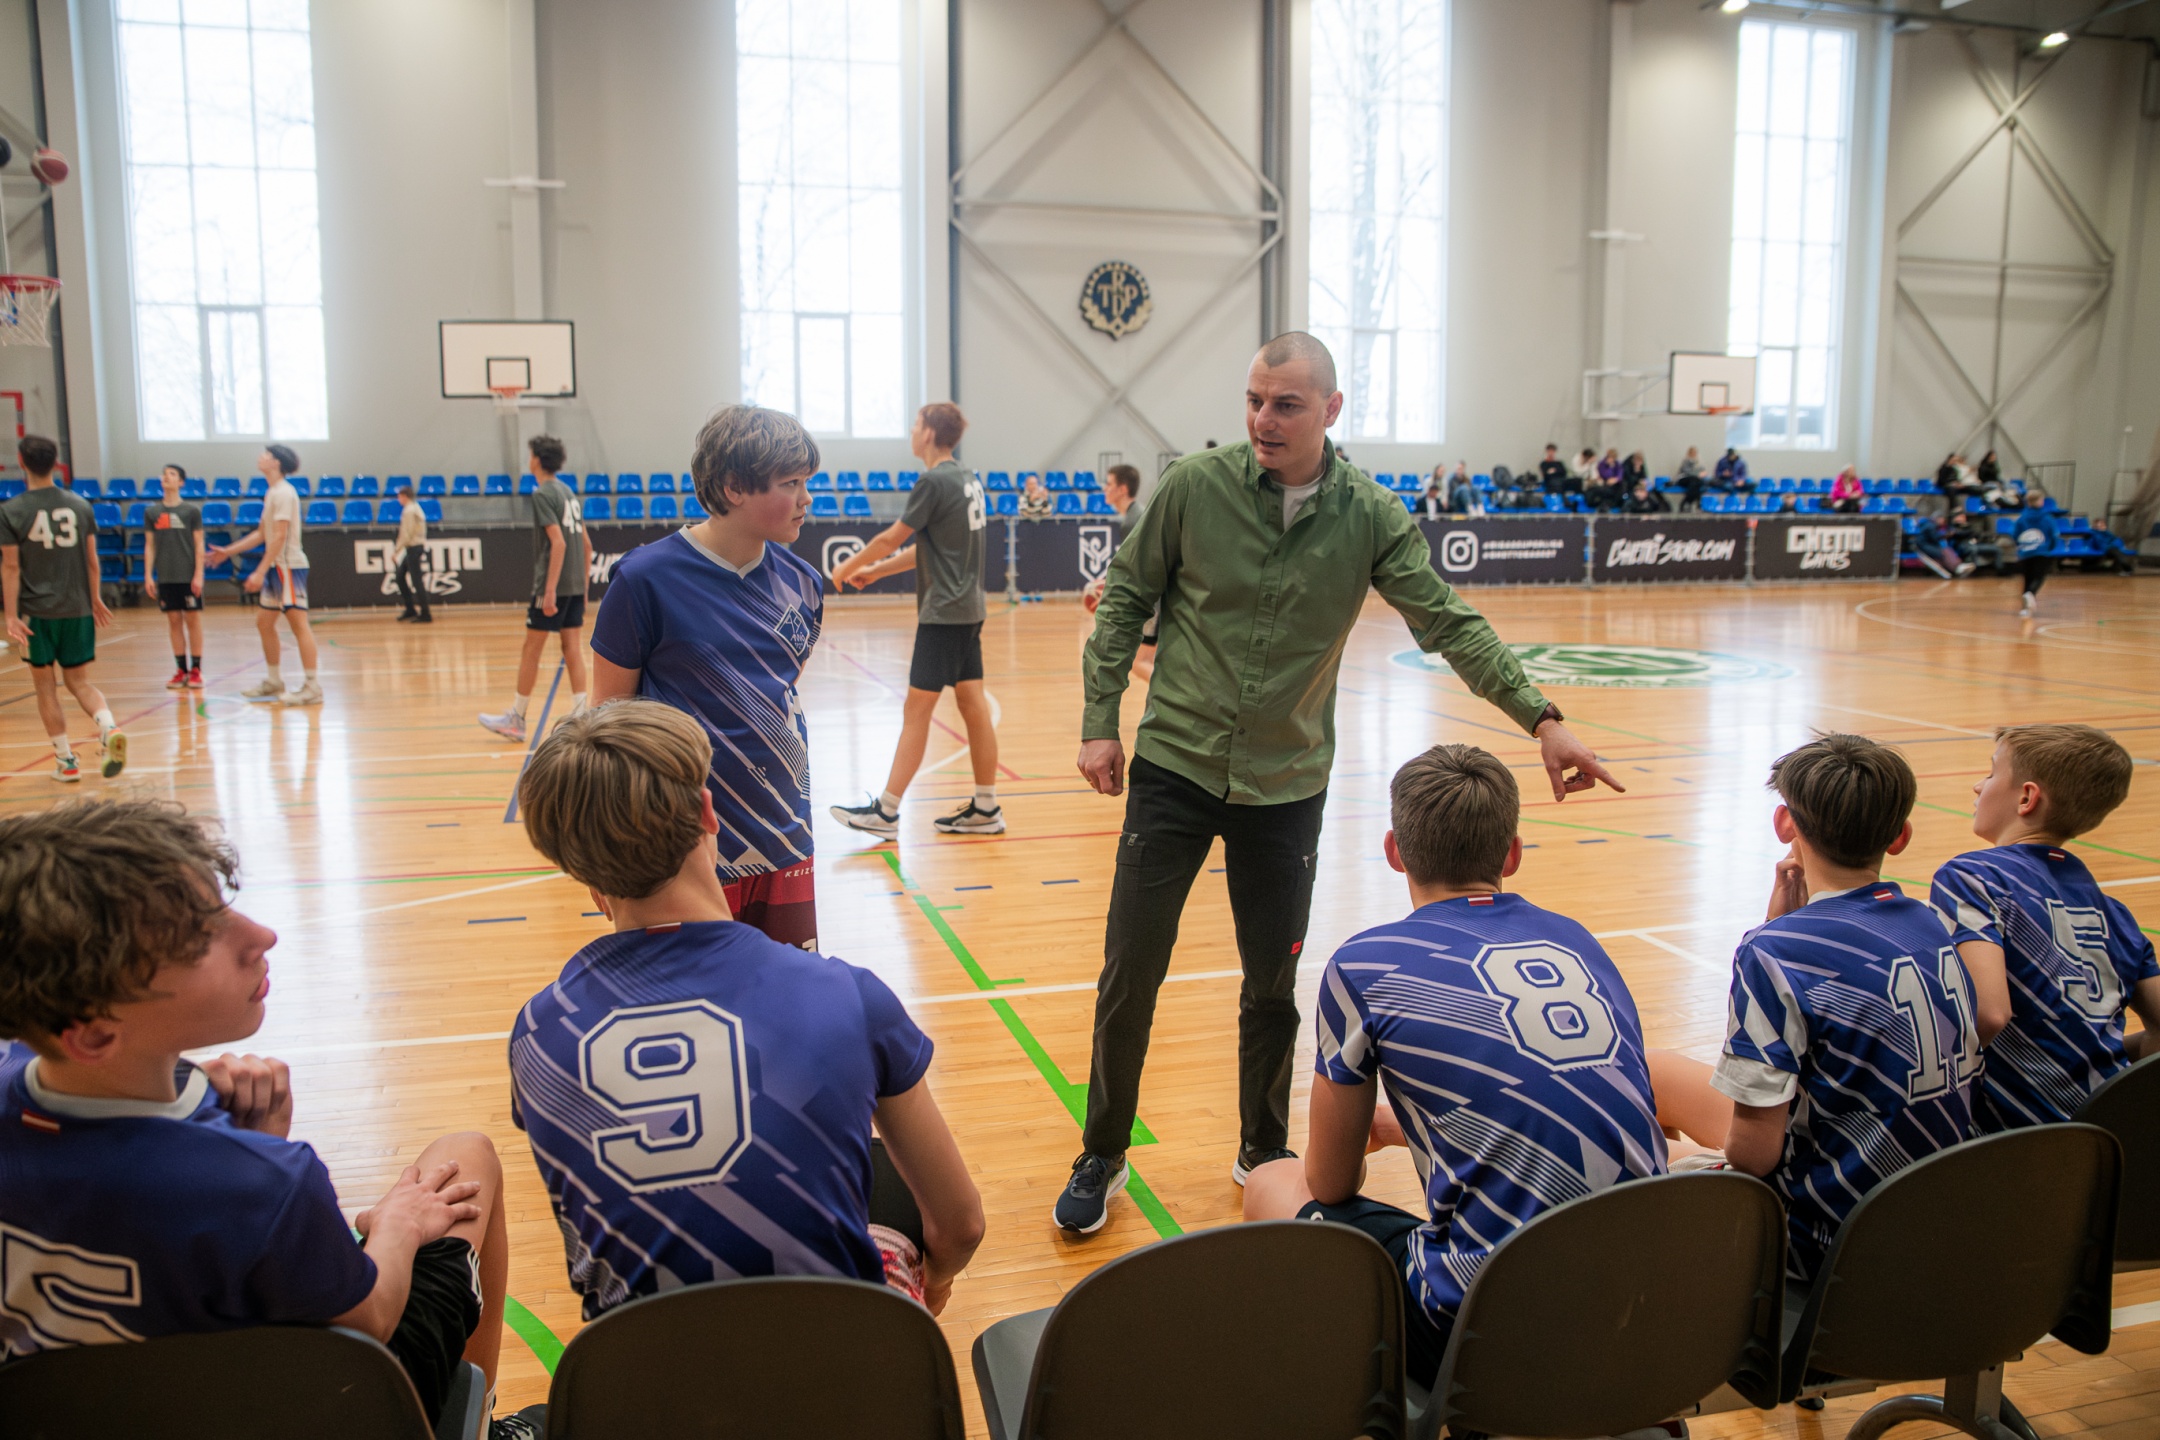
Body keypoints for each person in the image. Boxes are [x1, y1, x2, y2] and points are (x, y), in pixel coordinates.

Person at [1059, 332, 1623, 1234]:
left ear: (1330, 410)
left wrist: (1543, 720)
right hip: (1175, 767)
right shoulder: (1194, 488)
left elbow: (1448, 622)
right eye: (1254, 400)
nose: (1263, 419)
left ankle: (1261, 1148)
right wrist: (1100, 721)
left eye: (1285, 404)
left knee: (1270, 986)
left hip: (1286, 786)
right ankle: (1103, 1150)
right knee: (1131, 970)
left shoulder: (1369, 515)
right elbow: (1126, 596)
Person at [0, 800, 537, 1437]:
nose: (261, 935)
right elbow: (370, 1320)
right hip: (293, 1410)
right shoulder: (267, 1183)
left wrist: (236, 1140)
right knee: (465, 1160)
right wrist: (396, 1226)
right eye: (200, 939)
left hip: (80, 1411)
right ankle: (478, 1424)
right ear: (93, 1034)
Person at [508, 701, 985, 1318]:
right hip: (846, 1362)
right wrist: (932, 1284)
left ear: (574, 867)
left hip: (639, 1370)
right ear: (709, 813)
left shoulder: (538, 1032)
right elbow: (961, 1227)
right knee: (881, 1170)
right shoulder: (846, 996)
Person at [1241, 744, 1666, 1386]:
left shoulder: (1365, 964)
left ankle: (1346, 1395)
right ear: (1512, 854)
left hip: (1494, 1329)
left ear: (1395, 852)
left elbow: (1330, 1184)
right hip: (1650, 1303)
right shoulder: (1578, 939)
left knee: (1272, 1181)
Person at [1650, 735, 1978, 1280]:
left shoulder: (1775, 952)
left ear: (1785, 824)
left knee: (1628, 1151)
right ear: (1900, 836)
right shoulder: (1929, 922)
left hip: (1823, 1230)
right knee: (1654, 1068)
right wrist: (1779, 928)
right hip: (1926, 1203)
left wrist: (1773, 934)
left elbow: (1754, 1156)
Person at [589, 404, 826, 949]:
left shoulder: (805, 585)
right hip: (679, 837)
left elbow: (778, 695)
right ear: (733, 487)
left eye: (806, 482)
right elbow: (606, 716)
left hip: (785, 829)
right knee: (692, 989)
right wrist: (605, 843)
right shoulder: (644, 579)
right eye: (790, 483)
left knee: (780, 990)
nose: (806, 499)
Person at [1930, 724, 2159, 1130]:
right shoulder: (2116, 913)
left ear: (2027, 797)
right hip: (2106, 1132)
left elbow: (1990, 1014)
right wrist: (2098, 1062)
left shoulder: (1972, 877)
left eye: (1991, 772)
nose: (1978, 786)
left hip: (2020, 1137)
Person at [828, 402, 1004, 839]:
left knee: (916, 710)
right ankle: (986, 807)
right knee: (972, 705)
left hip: (944, 613)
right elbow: (928, 549)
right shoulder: (967, 478)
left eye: (914, 425)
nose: (911, 431)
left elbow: (892, 538)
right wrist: (876, 571)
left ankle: (886, 813)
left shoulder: (932, 481)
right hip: (969, 611)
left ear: (928, 433)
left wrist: (847, 566)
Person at [0, 435, 124, 782]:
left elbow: (11, 567)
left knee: (45, 687)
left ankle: (66, 761)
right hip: (77, 608)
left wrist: (10, 615)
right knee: (79, 682)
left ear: (21, 463)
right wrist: (95, 598)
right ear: (57, 463)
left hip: (37, 614)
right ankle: (109, 727)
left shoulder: (11, 510)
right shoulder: (80, 505)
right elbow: (92, 561)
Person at [479, 437, 589, 739]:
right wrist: (583, 587)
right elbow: (586, 544)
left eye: (530, 455)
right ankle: (583, 717)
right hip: (574, 585)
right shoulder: (568, 492)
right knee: (572, 648)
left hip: (553, 586)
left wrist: (549, 590)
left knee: (532, 650)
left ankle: (517, 719)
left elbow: (559, 543)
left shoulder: (543, 494)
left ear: (537, 460)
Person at [206, 444, 321, 707]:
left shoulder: (284, 493)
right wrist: (227, 552)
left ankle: (312, 686)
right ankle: (274, 680)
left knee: (298, 625)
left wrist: (259, 571)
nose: (261, 457)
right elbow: (262, 533)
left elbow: (279, 537)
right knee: (264, 623)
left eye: (266, 455)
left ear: (277, 463)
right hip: (276, 567)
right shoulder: (272, 492)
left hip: (288, 566)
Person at [1084, 463, 1155, 684]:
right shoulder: (1136, 515)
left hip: (1153, 603)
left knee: (1140, 662)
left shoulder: (1133, 521)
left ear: (1122, 489)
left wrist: (1110, 594)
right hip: (1156, 599)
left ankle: (1176, 699)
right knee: (1153, 661)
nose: (1104, 488)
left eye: (1109, 484)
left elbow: (1138, 570)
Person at [144, 464, 205, 688]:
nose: (166, 477)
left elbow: (199, 544)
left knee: (192, 619)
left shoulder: (191, 511)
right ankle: (181, 670)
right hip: (166, 576)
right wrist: (148, 575)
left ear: (181, 482)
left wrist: (198, 574)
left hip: (188, 576)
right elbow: (149, 546)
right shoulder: (152, 513)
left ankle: (196, 670)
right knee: (173, 620)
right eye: (164, 474)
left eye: (172, 474)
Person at [2012, 490, 2057, 618]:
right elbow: (2054, 535)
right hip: (2042, 551)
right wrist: (2050, 547)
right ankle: (2030, 593)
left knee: (2028, 578)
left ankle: (2025, 609)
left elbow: (2015, 535)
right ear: (2040, 501)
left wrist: (2021, 547)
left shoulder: (2022, 518)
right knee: (2039, 577)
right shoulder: (2047, 518)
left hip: (2026, 552)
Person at [393, 482, 431, 623]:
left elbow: (406, 533)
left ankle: (425, 613)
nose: (398, 500)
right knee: (400, 576)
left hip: (413, 547)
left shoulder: (409, 511)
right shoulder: (416, 507)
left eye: (399, 497)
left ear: (404, 496)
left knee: (416, 581)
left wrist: (396, 551)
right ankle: (410, 609)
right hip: (415, 546)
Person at [1674, 446, 1706, 512]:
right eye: (1692, 453)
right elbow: (1688, 472)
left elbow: (1703, 471)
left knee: (1697, 483)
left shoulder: (1698, 462)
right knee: (1695, 481)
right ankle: (1696, 502)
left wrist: (1703, 473)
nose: (1694, 454)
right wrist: (1698, 474)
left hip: (1694, 481)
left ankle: (1686, 502)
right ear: (1689, 453)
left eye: (1695, 453)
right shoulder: (1686, 461)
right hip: (1683, 478)